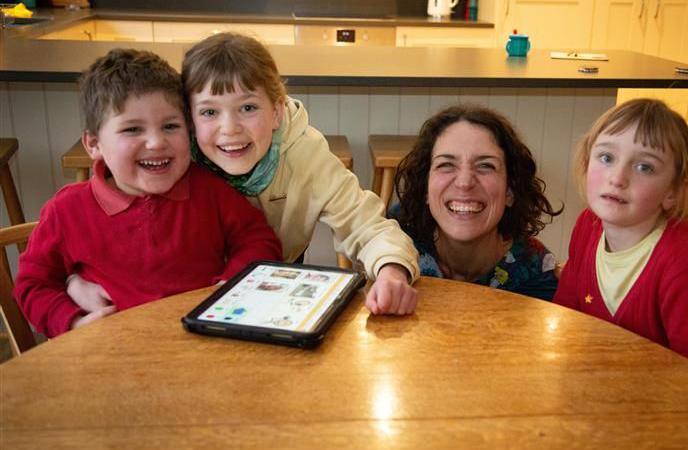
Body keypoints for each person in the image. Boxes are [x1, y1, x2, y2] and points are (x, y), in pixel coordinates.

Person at [14, 48, 282, 338]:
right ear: (93, 144)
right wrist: (73, 322)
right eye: (132, 129)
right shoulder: (67, 211)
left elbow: (258, 239)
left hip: (205, 349)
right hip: (114, 356)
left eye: (170, 126)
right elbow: (33, 285)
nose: (156, 142)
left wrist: (230, 285)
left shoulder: (210, 190)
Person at [553, 99, 688, 407]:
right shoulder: (587, 227)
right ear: (585, 165)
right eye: (606, 157)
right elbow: (566, 316)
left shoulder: (686, 267)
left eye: (644, 166)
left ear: (673, 192)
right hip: (622, 395)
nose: (617, 178)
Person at [182, 32, 419, 315]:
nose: (230, 128)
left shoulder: (306, 156)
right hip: (189, 287)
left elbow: (366, 225)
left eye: (248, 107)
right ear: (189, 118)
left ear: (277, 112)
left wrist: (391, 269)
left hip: (277, 278)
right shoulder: (178, 159)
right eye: (209, 112)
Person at [392, 105, 561, 300]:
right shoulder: (394, 240)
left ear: (510, 191)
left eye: (485, 166)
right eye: (446, 165)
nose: (464, 183)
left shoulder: (534, 272)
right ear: (425, 189)